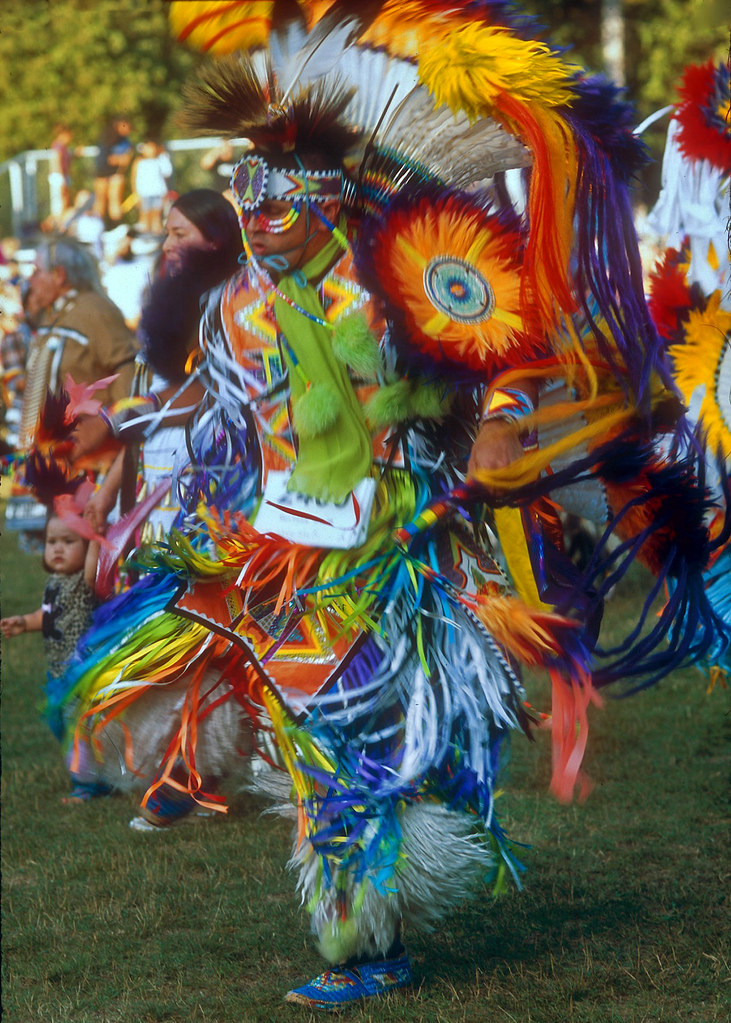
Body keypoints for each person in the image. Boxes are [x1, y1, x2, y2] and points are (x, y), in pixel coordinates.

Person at [57, 3, 726, 1011]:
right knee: (319, 744)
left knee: (362, 745)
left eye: (275, 193)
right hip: (284, 555)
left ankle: (368, 933)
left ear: (325, 195)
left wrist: (500, 424)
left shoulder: (397, 283)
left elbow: (517, 344)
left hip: (399, 556)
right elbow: (234, 418)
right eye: (244, 189)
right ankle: (367, 920)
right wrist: (164, 461)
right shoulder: (236, 307)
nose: (255, 211)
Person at [1, 512, 106, 803]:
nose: (58, 548)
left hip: (79, 672)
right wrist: (25, 622)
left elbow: (92, 570)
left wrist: (96, 540)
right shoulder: (54, 581)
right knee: (60, 724)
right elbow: (47, 615)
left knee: (76, 728)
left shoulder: (83, 582)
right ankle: (98, 776)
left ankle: (86, 785)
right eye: (52, 541)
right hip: (57, 672)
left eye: (69, 542)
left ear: (85, 545)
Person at [17, 237, 137, 458]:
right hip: (57, 454)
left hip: (92, 456)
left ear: (59, 275)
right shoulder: (54, 315)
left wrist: (109, 424)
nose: (31, 280)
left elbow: (127, 369)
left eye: (37, 272)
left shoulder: (95, 309)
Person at [93, 116, 134, 228]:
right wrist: (119, 159)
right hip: (102, 174)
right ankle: (98, 227)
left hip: (115, 174)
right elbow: (107, 159)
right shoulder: (107, 138)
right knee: (100, 202)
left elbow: (126, 159)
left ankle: (115, 226)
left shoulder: (125, 141)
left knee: (114, 201)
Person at [131, 138, 174, 236]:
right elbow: (134, 179)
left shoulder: (159, 160)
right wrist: (135, 194)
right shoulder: (139, 162)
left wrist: (164, 156)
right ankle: (144, 239)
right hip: (144, 195)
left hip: (158, 194)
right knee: (144, 219)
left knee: (156, 219)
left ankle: (157, 239)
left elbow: (168, 172)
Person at [47, 124, 75, 229]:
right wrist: (62, 179)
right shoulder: (58, 146)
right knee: (60, 202)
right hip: (59, 177)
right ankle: (57, 226)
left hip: (61, 176)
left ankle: (59, 225)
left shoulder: (62, 147)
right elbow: (57, 163)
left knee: (63, 202)